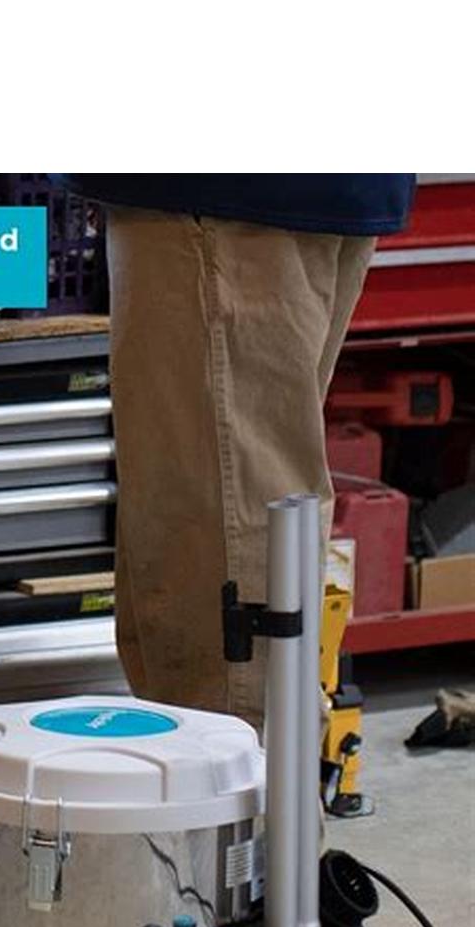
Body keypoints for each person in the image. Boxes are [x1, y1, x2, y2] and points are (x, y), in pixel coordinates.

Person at [65, 174, 416, 734]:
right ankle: (262, 766)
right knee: (257, 489)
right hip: (309, 183)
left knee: (211, 531)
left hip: (217, 191)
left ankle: (237, 770)